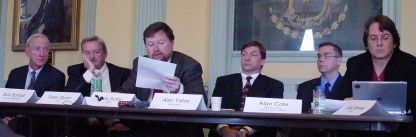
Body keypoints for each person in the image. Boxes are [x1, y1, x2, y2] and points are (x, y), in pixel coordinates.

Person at [118, 22, 206, 136]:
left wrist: (180, 89)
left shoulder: (189, 65)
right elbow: (125, 92)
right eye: (150, 44)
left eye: (161, 43)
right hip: (145, 126)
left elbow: (202, 101)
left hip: (178, 128)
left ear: (172, 43)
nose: (156, 49)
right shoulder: (140, 63)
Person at [339, 14, 416, 136]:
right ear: (366, 44)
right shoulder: (356, 64)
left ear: (395, 42)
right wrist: (347, 102)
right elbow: (338, 98)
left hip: (400, 130)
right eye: (373, 38)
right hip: (361, 130)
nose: (379, 43)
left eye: (385, 37)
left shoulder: (410, 64)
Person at [208, 41, 284, 137]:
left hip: (257, 133)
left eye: (253, 55)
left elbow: (272, 117)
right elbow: (214, 110)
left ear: (262, 61)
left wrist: (245, 131)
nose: (247, 58)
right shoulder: (223, 81)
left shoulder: (274, 85)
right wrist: (224, 129)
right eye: (244, 54)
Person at [64, 35, 131, 136]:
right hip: (84, 123)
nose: (92, 56)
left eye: (96, 52)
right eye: (87, 53)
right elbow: (69, 96)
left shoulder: (123, 73)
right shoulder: (75, 71)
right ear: (83, 55)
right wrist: (90, 71)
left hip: (114, 121)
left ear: (105, 54)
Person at [3, 33, 65, 137]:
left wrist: (16, 120)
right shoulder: (15, 73)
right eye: (37, 49)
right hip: (12, 124)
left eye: (45, 49)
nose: (42, 54)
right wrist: (4, 118)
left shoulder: (56, 76)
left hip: (39, 126)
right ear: (27, 52)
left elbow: (48, 112)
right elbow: (6, 101)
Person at [297, 42, 343, 113]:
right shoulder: (304, 87)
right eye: (319, 56)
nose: (321, 60)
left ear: (339, 61)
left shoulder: (349, 86)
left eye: (326, 56)